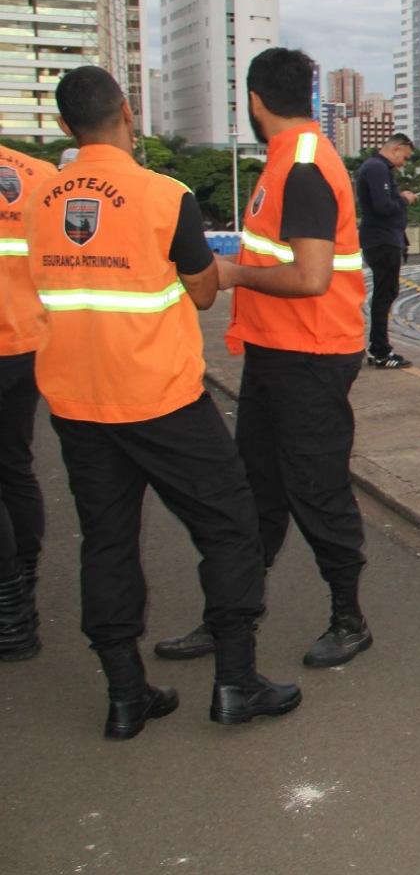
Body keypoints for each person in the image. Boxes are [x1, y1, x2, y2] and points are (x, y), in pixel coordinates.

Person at [25, 66, 300, 737]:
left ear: (64, 127)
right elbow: (203, 291)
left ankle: (126, 696)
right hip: (159, 397)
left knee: (107, 541)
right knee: (231, 526)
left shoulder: (37, 196)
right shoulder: (163, 194)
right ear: (126, 110)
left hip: (75, 400)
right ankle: (235, 682)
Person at [153, 48, 372, 670]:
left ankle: (349, 618)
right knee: (254, 491)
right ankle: (229, 614)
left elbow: (309, 277)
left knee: (316, 488)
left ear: (253, 101)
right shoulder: (283, 161)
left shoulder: (301, 165)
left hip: (310, 353)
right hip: (275, 351)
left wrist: (229, 272)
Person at [0, 142, 56, 662]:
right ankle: (22, 583)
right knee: (14, 465)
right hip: (27, 343)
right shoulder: (39, 174)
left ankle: (10, 613)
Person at [356, 133, 417, 368]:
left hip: (384, 239)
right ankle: (380, 350)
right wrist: (405, 200)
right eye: (405, 156)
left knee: (386, 294)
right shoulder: (376, 168)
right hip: (382, 241)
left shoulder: (378, 168)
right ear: (397, 148)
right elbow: (382, 207)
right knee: (384, 295)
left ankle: (379, 347)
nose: (404, 162)